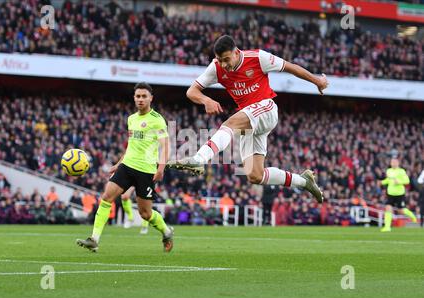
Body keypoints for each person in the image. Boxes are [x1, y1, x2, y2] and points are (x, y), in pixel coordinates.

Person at [167, 35, 326, 203]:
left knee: (229, 124)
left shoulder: (258, 58)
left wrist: (317, 81)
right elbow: (191, 91)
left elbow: (290, 67)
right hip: (249, 122)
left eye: (227, 59)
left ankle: (198, 159)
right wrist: (206, 100)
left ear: (236, 52)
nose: (224, 64)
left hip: (266, 109)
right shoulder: (216, 68)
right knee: (255, 175)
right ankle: (303, 181)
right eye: (220, 60)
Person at [77, 82, 173, 252]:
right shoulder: (131, 119)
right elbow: (131, 145)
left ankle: (166, 231)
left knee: (145, 214)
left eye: (144, 96)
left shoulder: (157, 120)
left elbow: (166, 146)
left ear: (151, 98)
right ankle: (94, 239)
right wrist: (118, 163)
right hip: (127, 166)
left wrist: (161, 168)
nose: (141, 99)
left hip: (146, 171)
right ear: (134, 98)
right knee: (106, 197)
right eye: (138, 96)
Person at [379, 158, 417, 232]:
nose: (393, 163)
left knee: (401, 211)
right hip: (390, 193)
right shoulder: (389, 171)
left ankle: (412, 215)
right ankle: (387, 227)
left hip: (399, 193)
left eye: (394, 162)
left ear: (398, 163)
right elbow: (388, 180)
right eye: (392, 162)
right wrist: (382, 182)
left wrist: (399, 181)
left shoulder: (401, 171)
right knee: (388, 207)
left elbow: (407, 181)